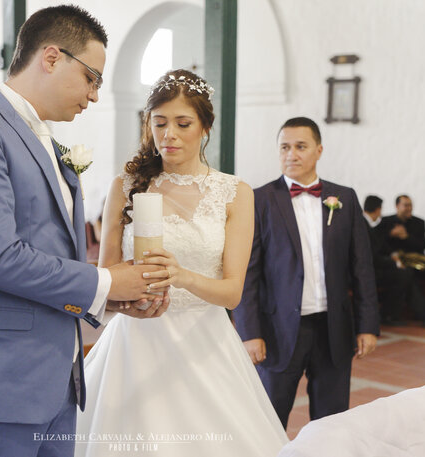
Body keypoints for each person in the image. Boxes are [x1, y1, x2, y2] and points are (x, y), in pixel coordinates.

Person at [0, 6, 168, 457]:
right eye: (92, 77)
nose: (95, 94)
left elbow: (54, 254)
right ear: (52, 57)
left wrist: (108, 299)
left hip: (58, 377)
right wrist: (108, 280)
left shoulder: (49, 143)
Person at [75, 70, 288, 457]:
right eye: (159, 123)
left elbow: (233, 293)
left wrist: (183, 276)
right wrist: (133, 293)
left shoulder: (234, 193)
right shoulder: (125, 185)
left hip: (204, 344)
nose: (168, 134)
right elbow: (107, 273)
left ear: (204, 127)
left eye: (182, 123)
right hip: (137, 341)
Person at [233, 117, 380, 429]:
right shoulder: (260, 200)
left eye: (301, 146)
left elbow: (362, 268)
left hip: (333, 328)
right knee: (268, 419)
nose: (292, 154)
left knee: (332, 419)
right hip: (278, 330)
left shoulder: (345, 198)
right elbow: (248, 271)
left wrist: (368, 325)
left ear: (319, 150)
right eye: (285, 147)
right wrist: (250, 332)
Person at [363, 195, 425, 327]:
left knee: (411, 273)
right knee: (404, 274)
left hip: (385, 264)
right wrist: (395, 262)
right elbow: (372, 254)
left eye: (410, 205)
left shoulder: (367, 224)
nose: (409, 208)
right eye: (406, 205)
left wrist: (403, 241)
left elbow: (421, 246)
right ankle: (391, 314)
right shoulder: (368, 224)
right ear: (378, 209)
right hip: (369, 271)